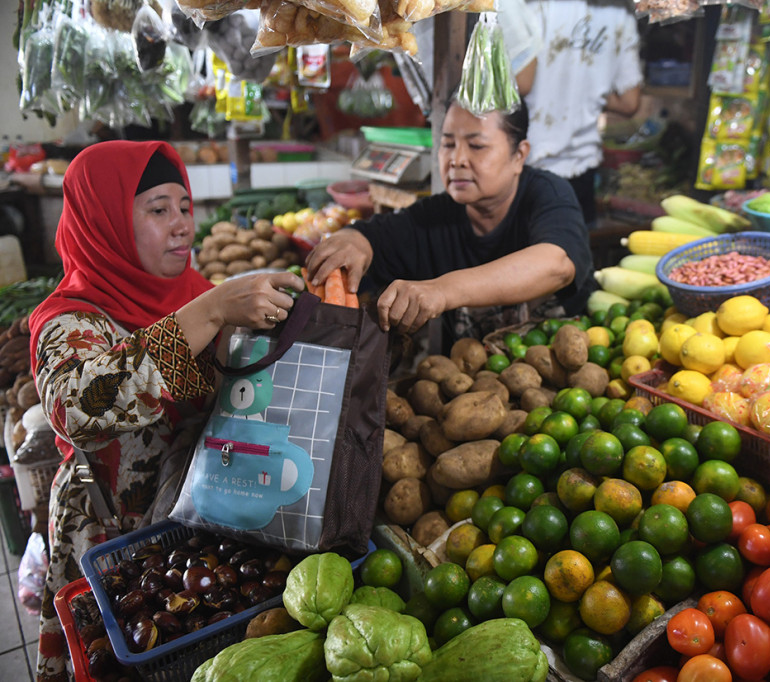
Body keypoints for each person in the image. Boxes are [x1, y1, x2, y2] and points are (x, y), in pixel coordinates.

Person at [28, 140, 304, 682]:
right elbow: (78, 408)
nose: (181, 225)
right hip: (111, 545)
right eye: (158, 209)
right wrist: (211, 312)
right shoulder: (69, 321)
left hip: (198, 540)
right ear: (102, 221)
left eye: (184, 207)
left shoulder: (199, 293)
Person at [306, 98, 596, 349]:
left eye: (477, 146)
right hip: (468, 391)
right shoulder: (435, 218)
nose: (456, 159)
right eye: (447, 144)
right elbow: (369, 236)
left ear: (519, 155)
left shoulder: (547, 194)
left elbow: (556, 264)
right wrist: (351, 242)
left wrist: (442, 291)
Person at [510, 0, 644, 228]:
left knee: (523, 259)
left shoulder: (526, 7)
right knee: (574, 258)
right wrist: (591, 90)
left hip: (527, 167)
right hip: (582, 173)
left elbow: (521, 84)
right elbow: (629, 102)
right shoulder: (619, 13)